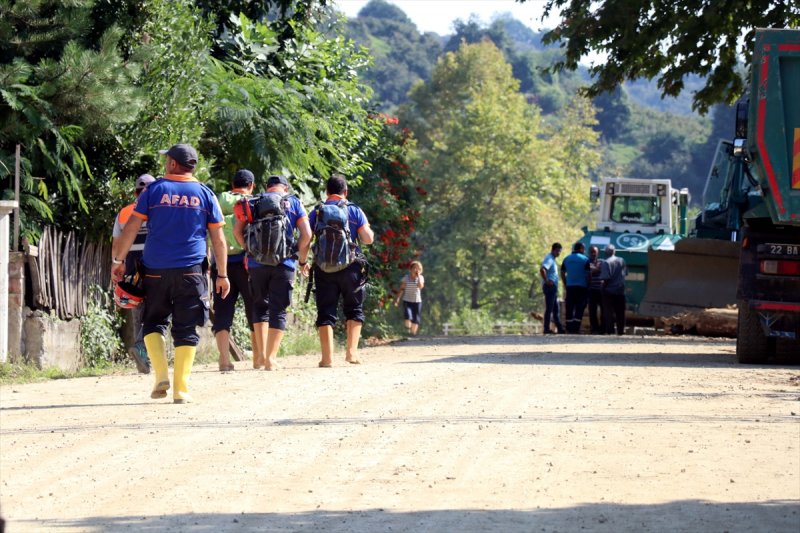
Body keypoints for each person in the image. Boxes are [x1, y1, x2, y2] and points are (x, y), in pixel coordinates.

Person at [112, 143, 230, 404]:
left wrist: (118, 260)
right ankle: (180, 390)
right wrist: (222, 275)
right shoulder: (206, 194)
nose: (165, 163)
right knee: (186, 328)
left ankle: (161, 376)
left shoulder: (154, 190)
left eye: (167, 160)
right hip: (192, 272)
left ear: (174, 163)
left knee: (153, 322)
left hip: (155, 271)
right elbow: (219, 240)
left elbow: (132, 227)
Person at [234, 174, 311, 371]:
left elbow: (237, 231)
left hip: (256, 264)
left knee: (259, 307)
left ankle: (260, 357)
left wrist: (249, 250)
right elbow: (307, 234)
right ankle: (271, 358)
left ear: (266, 187)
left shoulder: (254, 202)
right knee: (278, 309)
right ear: (285, 188)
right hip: (284, 263)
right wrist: (298, 256)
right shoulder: (294, 202)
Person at [306, 174, 374, 367]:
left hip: (324, 268)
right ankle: (351, 354)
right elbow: (368, 239)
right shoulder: (354, 210)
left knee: (326, 311)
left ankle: (327, 358)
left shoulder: (317, 211)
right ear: (346, 191)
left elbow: (306, 237)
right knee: (354, 309)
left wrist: (303, 261)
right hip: (351, 267)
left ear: (327, 192)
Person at [211, 169, 260, 372]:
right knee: (253, 308)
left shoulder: (217, 201)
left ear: (232, 185)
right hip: (246, 264)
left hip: (220, 265)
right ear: (251, 185)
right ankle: (258, 358)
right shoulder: (253, 202)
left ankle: (224, 360)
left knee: (222, 310)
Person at [111, 173, 156, 374]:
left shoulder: (124, 213)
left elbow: (116, 244)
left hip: (131, 267)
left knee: (138, 311)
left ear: (135, 192)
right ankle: (142, 348)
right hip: (155, 266)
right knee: (158, 309)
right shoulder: (157, 210)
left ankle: (144, 357)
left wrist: (116, 265)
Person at [598, 244, 628, 335]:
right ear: (614, 251)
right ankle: (620, 331)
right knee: (620, 312)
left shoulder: (606, 262)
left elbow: (606, 278)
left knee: (608, 312)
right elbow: (625, 273)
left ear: (606, 252)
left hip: (608, 291)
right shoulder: (621, 260)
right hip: (620, 290)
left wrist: (603, 287)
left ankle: (610, 331)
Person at [560, 242, 589, 334]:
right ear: (581, 249)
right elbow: (588, 274)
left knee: (570, 307)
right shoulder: (585, 259)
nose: (584, 250)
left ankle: (569, 328)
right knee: (580, 307)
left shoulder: (566, 259)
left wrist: (565, 283)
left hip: (570, 287)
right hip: (582, 287)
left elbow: (562, 272)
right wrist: (588, 285)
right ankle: (576, 328)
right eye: (584, 249)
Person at [539, 242, 565, 334]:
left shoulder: (552, 259)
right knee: (549, 309)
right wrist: (546, 280)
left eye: (560, 251)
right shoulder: (549, 258)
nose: (558, 253)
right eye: (557, 251)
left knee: (555, 309)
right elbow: (542, 270)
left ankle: (560, 329)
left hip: (553, 287)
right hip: (549, 286)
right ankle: (546, 328)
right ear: (553, 250)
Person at [394, 261, 425, 335]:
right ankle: (407, 331)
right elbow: (401, 289)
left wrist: (418, 277)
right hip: (407, 300)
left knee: (416, 318)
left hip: (417, 301)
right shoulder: (406, 278)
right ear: (410, 269)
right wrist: (397, 299)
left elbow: (420, 286)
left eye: (418, 269)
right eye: (414, 268)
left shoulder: (421, 278)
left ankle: (412, 334)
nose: (416, 270)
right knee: (408, 315)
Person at [586, 245, 605, 334]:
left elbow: (603, 271)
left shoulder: (602, 262)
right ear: (589, 253)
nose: (593, 254)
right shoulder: (586, 262)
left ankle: (603, 329)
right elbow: (587, 273)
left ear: (598, 253)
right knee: (592, 310)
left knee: (603, 310)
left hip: (601, 290)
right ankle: (594, 328)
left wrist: (593, 270)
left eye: (595, 252)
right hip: (591, 290)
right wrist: (596, 269)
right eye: (592, 252)